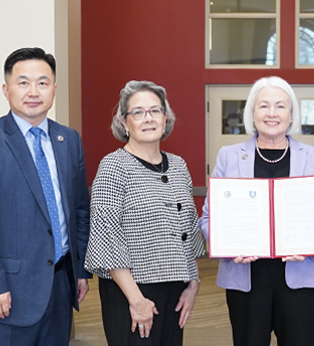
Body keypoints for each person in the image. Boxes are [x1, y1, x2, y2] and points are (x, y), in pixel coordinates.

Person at [198, 76, 314, 346]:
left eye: (280, 106)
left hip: (301, 279)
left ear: (291, 114)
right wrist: (229, 246)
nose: (271, 113)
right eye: (263, 105)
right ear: (252, 113)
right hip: (246, 279)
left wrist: (313, 245)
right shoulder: (229, 156)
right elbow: (209, 218)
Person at [0, 47, 91, 345]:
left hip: (60, 286)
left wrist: (79, 270)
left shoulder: (68, 139)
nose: (34, 91)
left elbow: (80, 211)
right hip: (6, 292)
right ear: (6, 90)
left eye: (43, 83)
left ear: (54, 89)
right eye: (23, 82)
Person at [84, 80, 205, 345]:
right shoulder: (113, 167)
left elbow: (188, 229)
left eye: (155, 110)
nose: (148, 118)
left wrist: (192, 284)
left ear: (165, 117)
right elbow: (107, 239)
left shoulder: (178, 166)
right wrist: (136, 299)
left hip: (175, 289)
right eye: (138, 112)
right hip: (131, 292)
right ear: (125, 123)